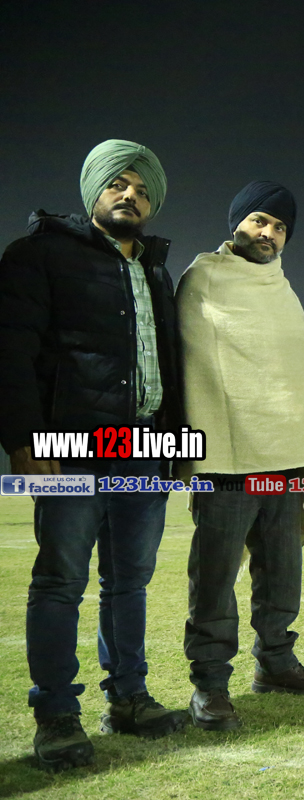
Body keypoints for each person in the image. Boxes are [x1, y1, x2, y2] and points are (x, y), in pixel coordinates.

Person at [0, 139, 187, 770]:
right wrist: (22, 438)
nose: (130, 194)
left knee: (130, 580)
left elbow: (169, 365)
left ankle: (128, 697)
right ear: (93, 191)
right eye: (118, 184)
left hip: (144, 446)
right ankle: (56, 714)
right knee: (61, 579)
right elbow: (11, 351)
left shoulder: (155, 269)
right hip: (69, 446)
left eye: (142, 188)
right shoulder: (38, 255)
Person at [178, 181, 304, 731]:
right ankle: (209, 684)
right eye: (260, 221)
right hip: (225, 456)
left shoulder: (283, 289)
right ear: (237, 223)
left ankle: (276, 662)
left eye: (280, 227)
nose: (269, 233)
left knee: (282, 570)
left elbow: (292, 371)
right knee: (216, 577)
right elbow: (191, 365)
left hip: (284, 455)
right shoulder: (202, 278)